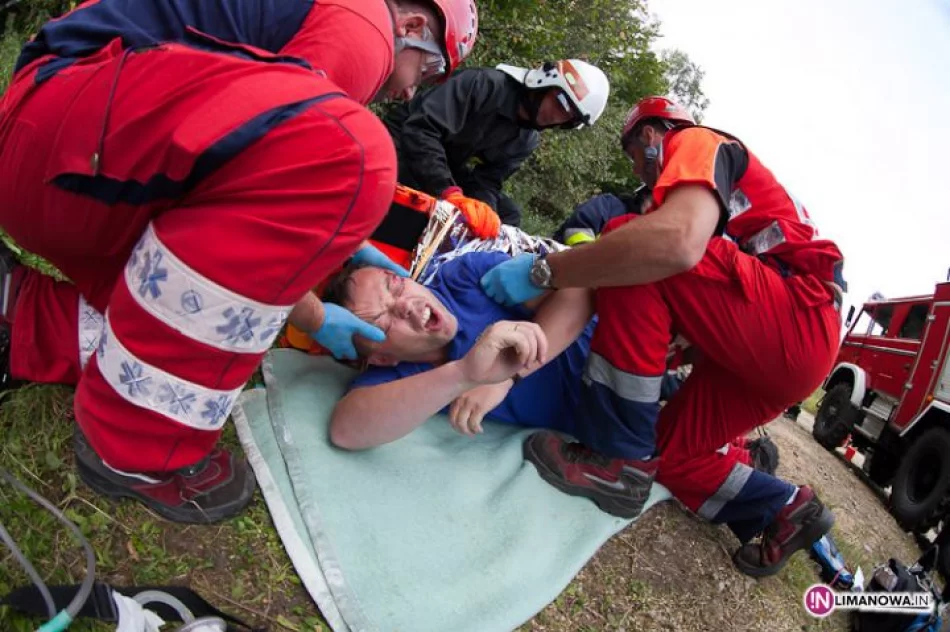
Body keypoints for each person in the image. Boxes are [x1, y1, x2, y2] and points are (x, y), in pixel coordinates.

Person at [0, 0, 479, 524]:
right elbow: (304, 156)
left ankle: (20, 316)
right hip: (68, 131)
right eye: (430, 69)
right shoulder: (364, 24)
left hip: (62, 136)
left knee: (187, 312)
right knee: (355, 153)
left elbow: (245, 148)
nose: (411, 92)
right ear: (411, 26)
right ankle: (135, 448)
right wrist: (314, 315)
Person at [479, 96, 847, 577]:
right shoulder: (723, 196)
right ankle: (784, 508)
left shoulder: (696, 141)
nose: (641, 174)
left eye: (634, 156)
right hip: (786, 348)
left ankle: (615, 456)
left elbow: (673, 245)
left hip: (799, 319)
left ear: (652, 134)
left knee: (631, 236)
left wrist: (548, 270)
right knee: (665, 460)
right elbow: (716, 290)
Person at [324, 252, 781, 487]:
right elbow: (347, 429)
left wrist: (503, 378)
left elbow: (580, 290)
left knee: (670, 409)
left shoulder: (463, 277)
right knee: (672, 446)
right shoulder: (400, 377)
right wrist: (466, 374)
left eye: (394, 284)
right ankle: (745, 459)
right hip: (593, 415)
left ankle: (735, 446)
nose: (405, 305)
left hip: (615, 358)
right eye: (380, 319)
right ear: (379, 356)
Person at [379, 59, 610, 233]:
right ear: (545, 83)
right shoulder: (483, 84)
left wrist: (484, 211)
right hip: (401, 141)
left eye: (570, 118)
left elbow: (487, 181)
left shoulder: (527, 139)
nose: (558, 117)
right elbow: (421, 129)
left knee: (506, 215)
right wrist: (448, 191)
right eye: (561, 103)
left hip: (444, 163)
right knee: (414, 180)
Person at [552, 186, 652, 246]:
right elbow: (576, 229)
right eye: (653, 201)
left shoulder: (650, 235)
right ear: (644, 195)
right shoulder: (609, 205)